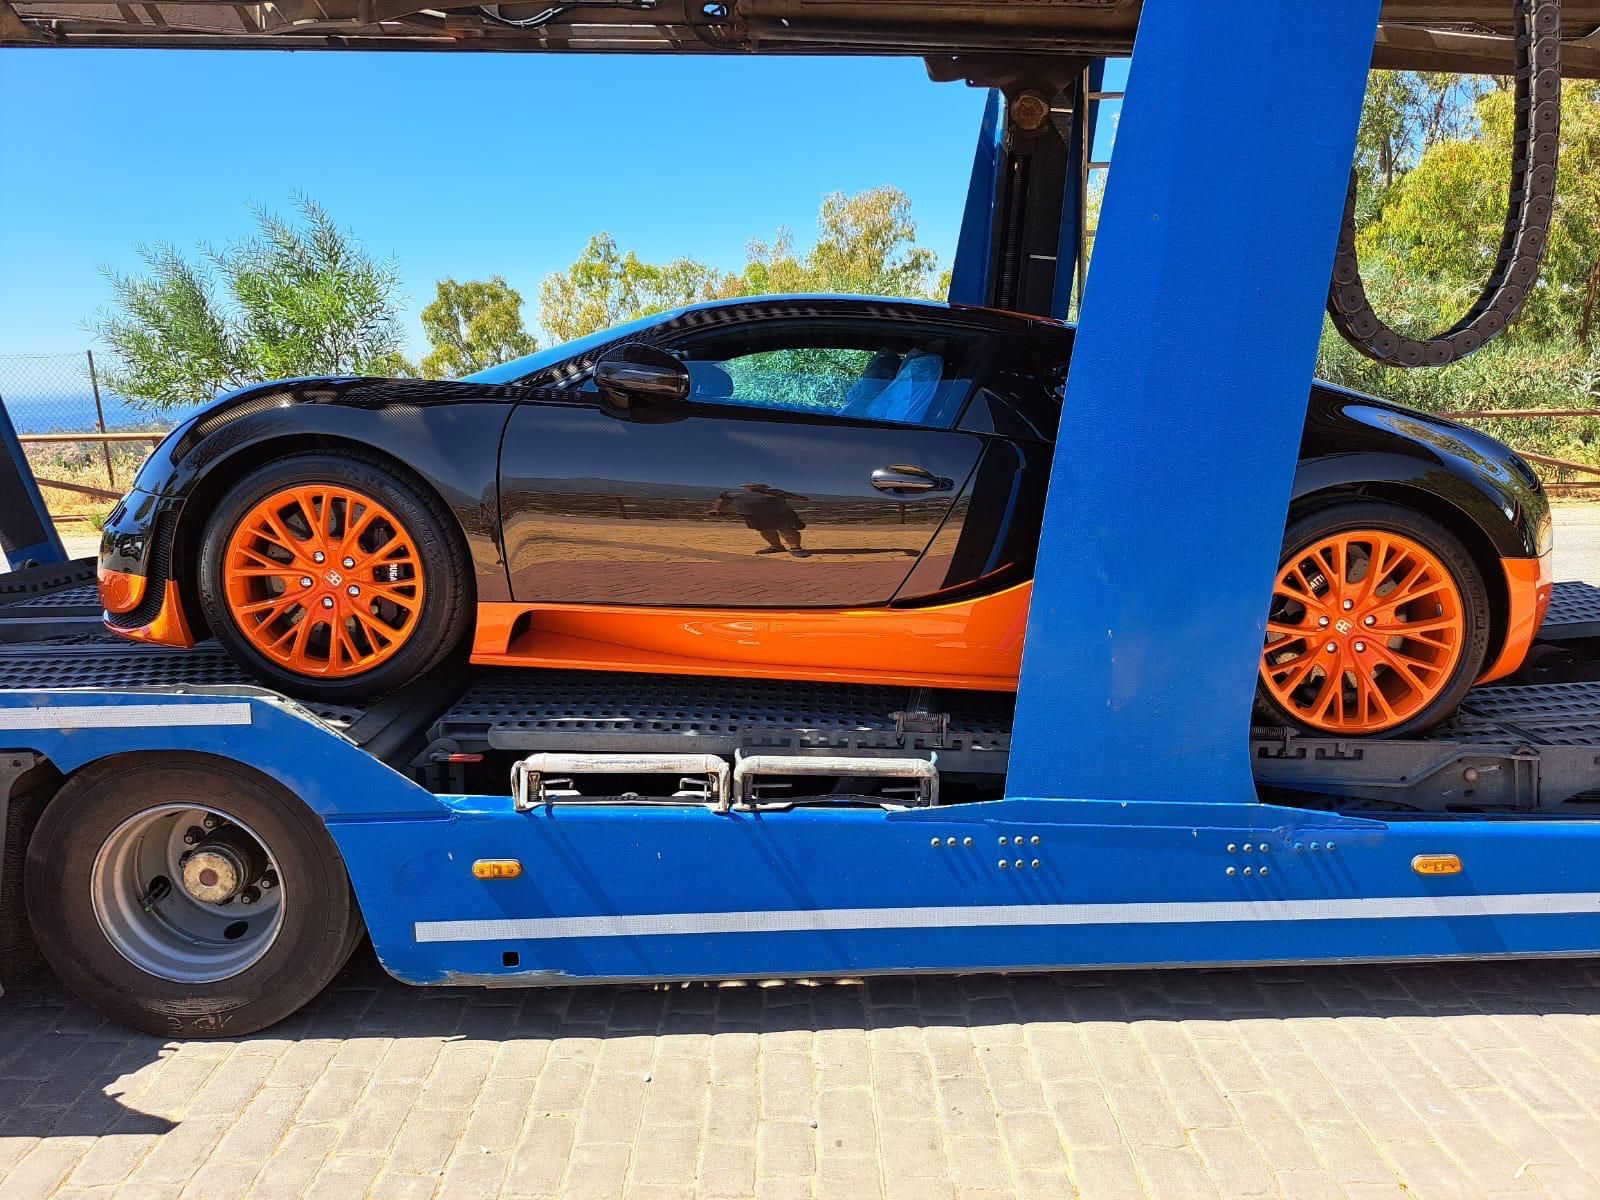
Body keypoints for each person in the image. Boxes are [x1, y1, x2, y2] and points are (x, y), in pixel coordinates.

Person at [710, 483, 812, 557]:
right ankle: (776, 546)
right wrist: (715, 509)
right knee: (765, 530)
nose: (755, 488)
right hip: (755, 516)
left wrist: (802, 498)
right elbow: (722, 501)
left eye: (758, 486)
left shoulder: (776, 492)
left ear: (765, 487)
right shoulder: (733, 494)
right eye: (752, 486)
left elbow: (796, 497)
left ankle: (796, 548)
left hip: (781, 514)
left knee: (787, 530)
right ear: (746, 487)